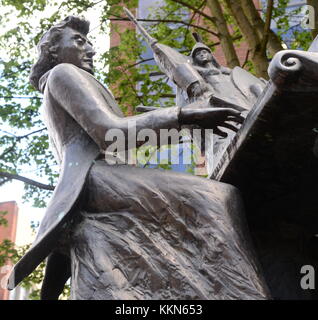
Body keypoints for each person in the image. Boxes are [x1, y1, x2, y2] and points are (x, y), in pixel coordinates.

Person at [8, 16, 269, 300]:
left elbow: (122, 140)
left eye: (90, 41)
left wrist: (189, 123)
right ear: (54, 51)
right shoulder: (63, 74)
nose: (91, 49)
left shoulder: (70, 79)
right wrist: (184, 115)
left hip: (106, 177)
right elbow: (110, 134)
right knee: (219, 198)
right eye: (79, 41)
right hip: (97, 180)